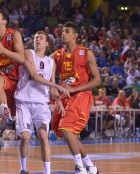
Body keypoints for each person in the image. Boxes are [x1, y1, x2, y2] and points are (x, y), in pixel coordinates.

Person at [0, 9, 69, 152]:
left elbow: (22, 58)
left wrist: (4, 50)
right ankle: (3, 108)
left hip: (16, 77)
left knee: (11, 116)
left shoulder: (14, 34)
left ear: (4, 21)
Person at [51, 22, 101, 174]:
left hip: (81, 94)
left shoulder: (86, 53)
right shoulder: (56, 55)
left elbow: (97, 80)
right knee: (67, 133)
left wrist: (75, 88)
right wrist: (57, 98)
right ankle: (91, 166)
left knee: (66, 128)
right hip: (64, 96)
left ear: (75, 35)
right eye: (62, 31)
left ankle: (79, 167)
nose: (62, 33)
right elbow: (48, 77)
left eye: (66, 31)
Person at [15, 31, 62, 174]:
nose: (37, 39)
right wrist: (57, 87)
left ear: (47, 43)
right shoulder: (29, 53)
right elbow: (34, 77)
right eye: (35, 37)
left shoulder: (51, 62)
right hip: (24, 101)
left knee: (43, 135)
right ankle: (23, 169)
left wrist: (58, 99)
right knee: (25, 136)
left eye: (41, 38)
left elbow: (52, 86)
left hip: (41, 103)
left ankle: (47, 172)